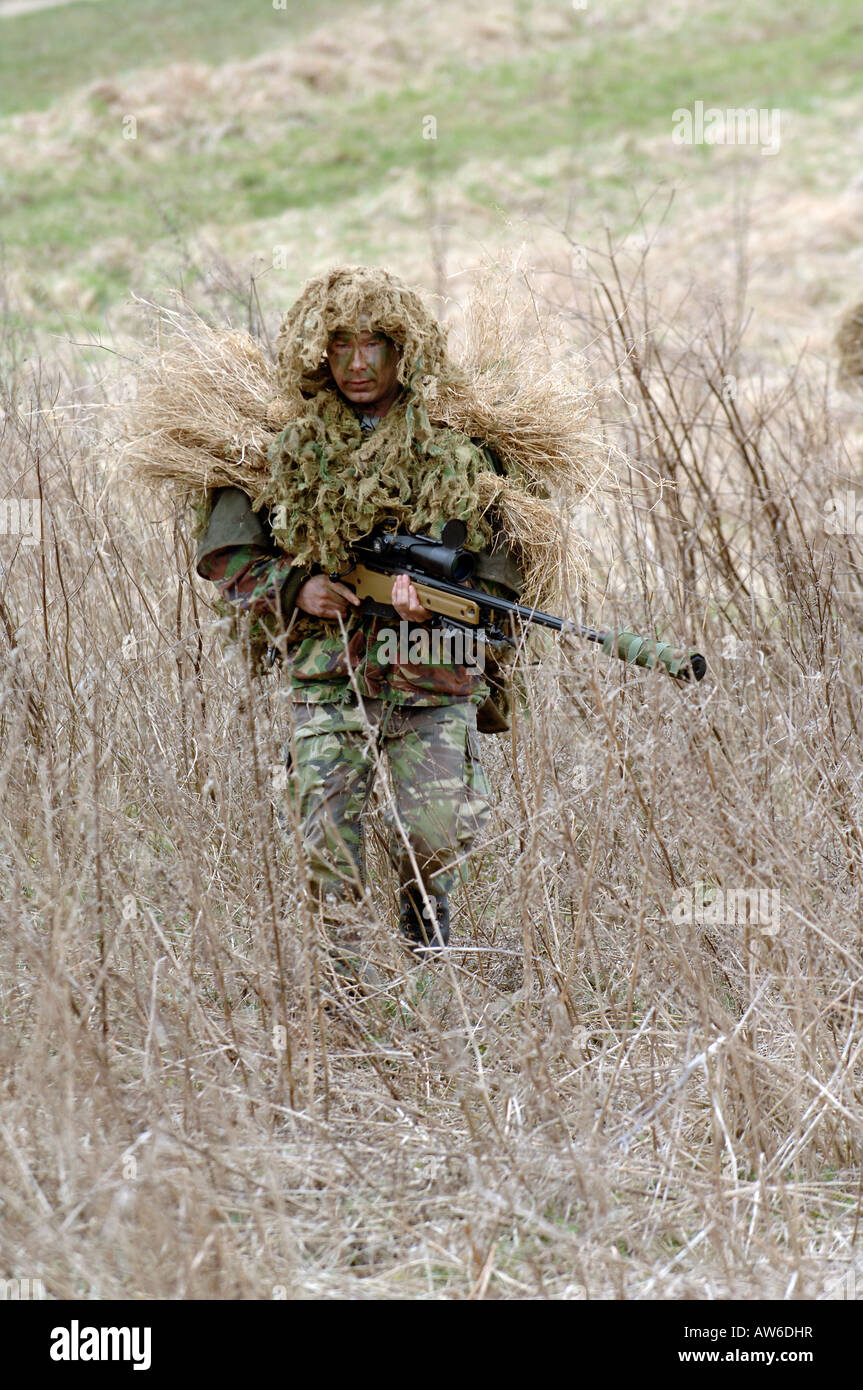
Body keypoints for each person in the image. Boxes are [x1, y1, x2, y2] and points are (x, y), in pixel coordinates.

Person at [195, 266, 524, 963]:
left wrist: (439, 611)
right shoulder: (275, 449)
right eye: (340, 344)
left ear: (406, 350)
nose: (358, 362)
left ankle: (424, 940)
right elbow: (226, 556)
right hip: (328, 677)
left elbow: (500, 575)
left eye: (375, 343)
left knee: (437, 836)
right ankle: (341, 984)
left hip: (433, 679)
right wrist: (295, 589)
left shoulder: (462, 452)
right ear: (317, 351)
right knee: (326, 847)